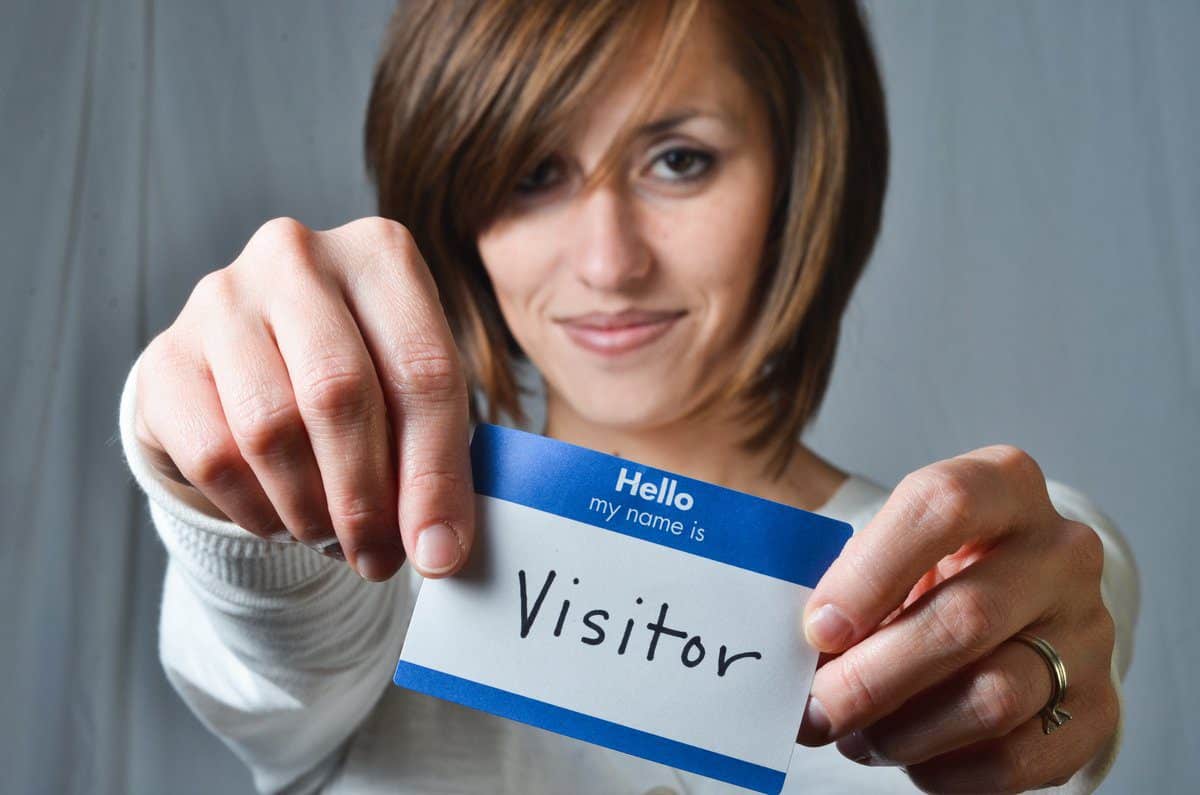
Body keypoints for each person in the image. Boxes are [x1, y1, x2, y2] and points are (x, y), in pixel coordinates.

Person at [117, 1, 1138, 793]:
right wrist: (214, 461)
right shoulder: (362, 562)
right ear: (454, 201)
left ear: (803, 171)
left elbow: (1053, 677)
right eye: (532, 173)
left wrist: (1043, 691)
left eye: (679, 161)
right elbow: (267, 636)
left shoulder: (976, 570)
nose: (608, 263)